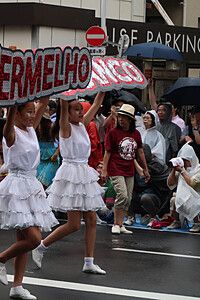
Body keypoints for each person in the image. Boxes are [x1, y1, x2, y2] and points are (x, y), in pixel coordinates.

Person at [0, 97, 58, 300]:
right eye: (28, 112)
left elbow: (43, 102)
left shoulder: (31, 129)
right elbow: (8, 127)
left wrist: (47, 90)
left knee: (24, 240)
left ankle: (17, 286)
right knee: (34, 239)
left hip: (31, 185)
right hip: (16, 185)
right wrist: (12, 106)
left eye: (34, 112)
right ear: (16, 112)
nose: (33, 116)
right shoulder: (11, 132)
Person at [32, 92, 107, 275]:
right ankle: (41, 246)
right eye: (76, 109)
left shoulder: (82, 125)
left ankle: (89, 261)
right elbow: (64, 105)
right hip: (71, 173)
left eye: (81, 109)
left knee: (91, 220)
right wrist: (66, 92)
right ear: (67, 111)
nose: (81, 112)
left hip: (84, 172)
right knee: (74, 224)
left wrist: (104, 88)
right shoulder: (65, 127)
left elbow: (97, 104)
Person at [102, 104, 150, 235]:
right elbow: (108, 152)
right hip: (115, 168)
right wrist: (104, 170)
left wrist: (145, 169)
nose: (121, 120)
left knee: (128, 198)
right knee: (122, 195)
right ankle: (116, 224)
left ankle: (121, 223)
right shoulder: (113, 133)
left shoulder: (136, 134)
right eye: (120, 117)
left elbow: (140, 152)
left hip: (129, 169)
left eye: (124, 117)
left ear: (130, 120)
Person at [167, 143, 200, 232]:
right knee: (174, 199)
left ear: (191, 159)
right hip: (184, 197)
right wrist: (173, 170)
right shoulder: (182, 170)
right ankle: (177, 221)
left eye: (185, 160)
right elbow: (170, 184)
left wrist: (182, 171)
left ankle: (197, 223)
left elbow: (192, 183)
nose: (184, 162)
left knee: (191, 199)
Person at [36, 113, 59, 188]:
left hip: (51, 157)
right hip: (39, 157)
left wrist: (56, 153)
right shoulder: (34, 126)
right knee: (37, 182)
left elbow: (63, 141)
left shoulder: (52, 126)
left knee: (46, 182)